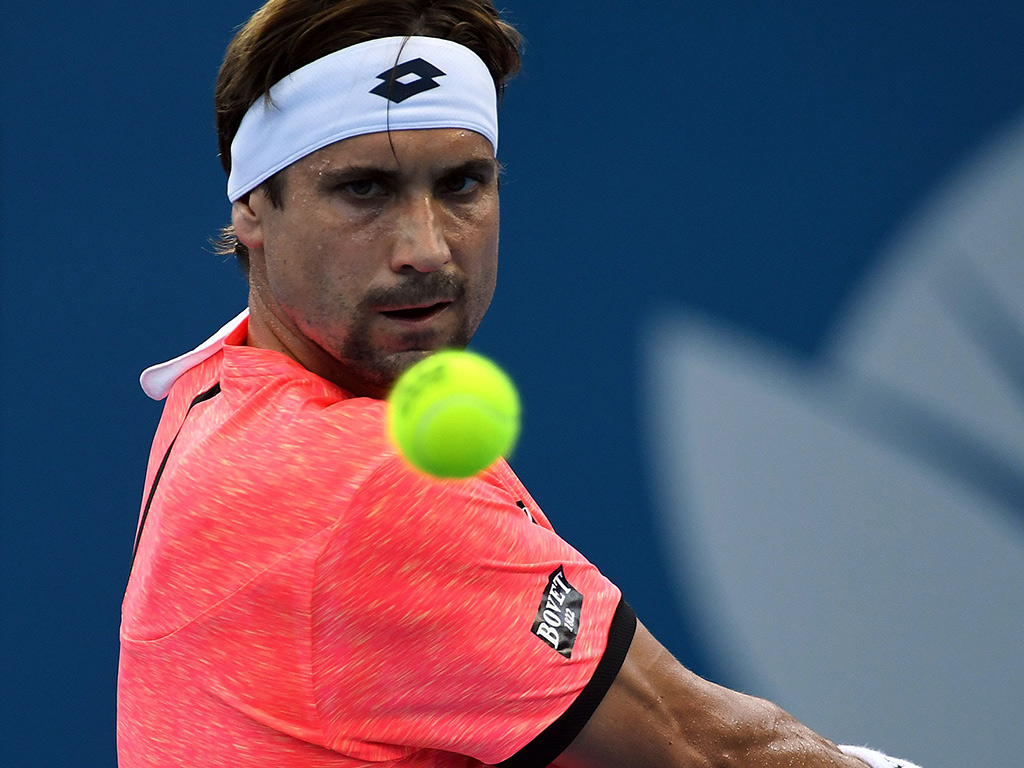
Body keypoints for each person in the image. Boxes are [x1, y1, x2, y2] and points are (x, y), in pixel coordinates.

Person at [118, 2, 924, 767]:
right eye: (365, 188)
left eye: (462, 185)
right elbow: (705, 748)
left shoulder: (224, 386)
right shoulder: (368, 481)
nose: (426, 248)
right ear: (253, 206)